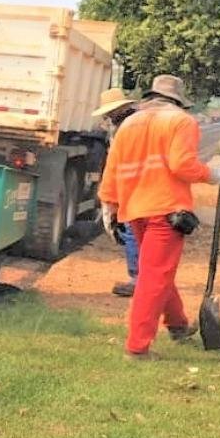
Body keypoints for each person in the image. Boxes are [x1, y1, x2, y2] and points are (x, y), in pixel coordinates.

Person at [98, 75, 220, 360]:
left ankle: (177, 325)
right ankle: (137, 348)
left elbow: (112, 169)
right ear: (178, 100)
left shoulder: (128, 124)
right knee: (154, 276)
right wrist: (216, 175)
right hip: (166, 210)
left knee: (156, 270)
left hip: (134, 209)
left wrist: (109, 205)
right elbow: (182, 165)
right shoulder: (181, 121)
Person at [90, 88, 140, 297]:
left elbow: (116, 163)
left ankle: (136, 278)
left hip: (131, 186)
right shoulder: (136, 122)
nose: (108, 116)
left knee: (131, 232)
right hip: (139, 185)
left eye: (110, 112)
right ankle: (144, 278)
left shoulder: (126, 128)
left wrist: (109, 196)